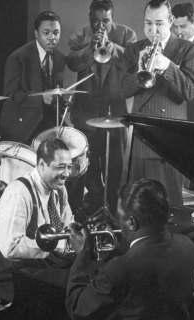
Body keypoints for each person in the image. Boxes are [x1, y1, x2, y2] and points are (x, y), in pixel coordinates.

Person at [49, 179, 194, 320]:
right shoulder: (188, 247)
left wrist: (82, 256)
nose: (118, 222)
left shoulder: (122, 268)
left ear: (131, 223)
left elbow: (77, 308)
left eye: (120, 216)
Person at [120, 0, 194, 206]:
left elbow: (190, 92)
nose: (153, 30)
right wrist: (140, 70)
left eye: (159, 23)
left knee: (169, 203)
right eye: (148, 24)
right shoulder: (134, 49)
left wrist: (168, 66)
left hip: (170, 137)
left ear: (171, 21)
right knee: (139, 204)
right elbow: (122, 89)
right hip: (140, 136)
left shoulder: (189, 49)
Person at [67, 0, 136, 215]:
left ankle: (114, 214)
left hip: (113, 112)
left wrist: (111, 46)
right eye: (96, 21)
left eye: (106, 20)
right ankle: (95, 209)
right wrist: (90, 48)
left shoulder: (127, 35)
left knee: (115, 167)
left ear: (112, 17)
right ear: (90, 17)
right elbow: (72, 64)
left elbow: (132, 64)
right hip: (85, 112)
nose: (101, 25)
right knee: (90, 170)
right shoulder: (79, 37)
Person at [0, 138, 74, 309]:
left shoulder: (59, 188)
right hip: (12, 274)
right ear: (42, 164)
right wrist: (58, 244)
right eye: (60, 167)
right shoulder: (18, 193)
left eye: (69, 167)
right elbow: (10, 248)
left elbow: (67, 222)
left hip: (41, 265)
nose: (67, 173)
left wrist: (76, 236)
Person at [0, 11, 66, 144]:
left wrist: (63, 102)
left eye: (56, 32)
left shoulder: (59, 57)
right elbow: (11, 95)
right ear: (36, 34)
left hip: (48, 122)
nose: (52, 37)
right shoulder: (17, 57)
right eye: (46, 33)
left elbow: (55, 90)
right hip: (22, 124)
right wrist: (41, 98)